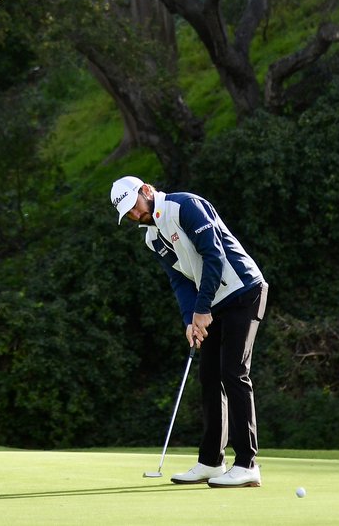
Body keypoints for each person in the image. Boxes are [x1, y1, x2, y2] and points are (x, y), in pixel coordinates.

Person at [110, 175, 269, 488]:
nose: (135, 216)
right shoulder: (152, 238)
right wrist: (189, 319)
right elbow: (180, 280)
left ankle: (248, 464)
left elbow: (214, 256)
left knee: (233, 372)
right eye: (128, 214)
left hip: (243, 290)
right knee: (209, 376)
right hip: (213, 301)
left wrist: (202, 309)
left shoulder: (184, 206)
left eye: (134, 207)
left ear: (145, 191)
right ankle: (211, 461)